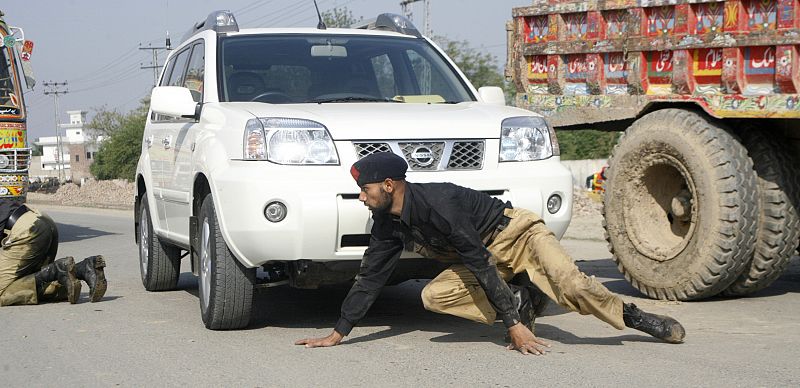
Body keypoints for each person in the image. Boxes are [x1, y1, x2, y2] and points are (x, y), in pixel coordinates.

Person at [295, 152, 686, 355]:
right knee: (434, 296)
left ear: (390, 184)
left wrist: (511, 326)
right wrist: (339, 331)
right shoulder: (387, 223)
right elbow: (370, 277)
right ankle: (521, 295)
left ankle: (634, 318)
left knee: (572, 287)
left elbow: (480, 260)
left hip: (516, 234)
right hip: (480, 256)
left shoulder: (440, 203)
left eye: (366, 191)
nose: (362, 198)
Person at [0, 201, 107, 306]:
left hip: (28, 230)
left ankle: (57, 270)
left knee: (3, 292)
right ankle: (84, 268)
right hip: (42, 221)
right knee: (29, 278)